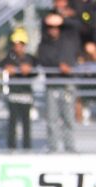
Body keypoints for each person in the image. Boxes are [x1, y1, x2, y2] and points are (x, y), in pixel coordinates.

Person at [37, 12, 78, 153]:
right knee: (52, 119)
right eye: (50, 27)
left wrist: (62, 19)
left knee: (68, 118)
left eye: (56, 27)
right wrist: (59, 66)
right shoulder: (44, 44)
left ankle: (70, 147)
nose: (53, 30)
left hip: (67, 84)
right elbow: (43, 60)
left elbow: (79, 26)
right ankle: (53, 147)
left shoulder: (69, 40)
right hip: (52, 85)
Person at [0, 27, 36, 150]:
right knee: (12, 122)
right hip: (13, 94)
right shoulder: (9, 58)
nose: (18, 47)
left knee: (26, 123)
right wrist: (6, 68)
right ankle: (11, 147)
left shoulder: (30, 58)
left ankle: (27, 147)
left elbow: (37, 70)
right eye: (16, 44)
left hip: (26, 94)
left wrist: (29, 70)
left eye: (20, 44)